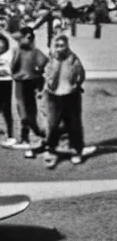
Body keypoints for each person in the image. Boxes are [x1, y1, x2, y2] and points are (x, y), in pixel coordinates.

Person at [42, 35, 90, 168]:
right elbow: (45, 74)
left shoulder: (73, 59)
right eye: (57, 45)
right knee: (52, 124)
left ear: (67, 46)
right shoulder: (50, 59)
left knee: (74, 124)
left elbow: (82, 74)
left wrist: (76, 85)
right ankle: (51, 149)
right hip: (53, 95)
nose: (59, 48)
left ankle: (76, 150)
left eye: (62, 45)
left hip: (71, 95)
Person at [3, 27, 48, 149]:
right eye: (25, 38)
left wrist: (38, 73)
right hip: (20, 83)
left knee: (31, 110)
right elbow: (12, 67)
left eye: (30, 38)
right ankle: (26, 136)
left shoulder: (35, 52)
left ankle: (36, 133)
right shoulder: (17, 50)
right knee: (22, 110)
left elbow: (44, 62)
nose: (27, 40)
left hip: (30, 82)